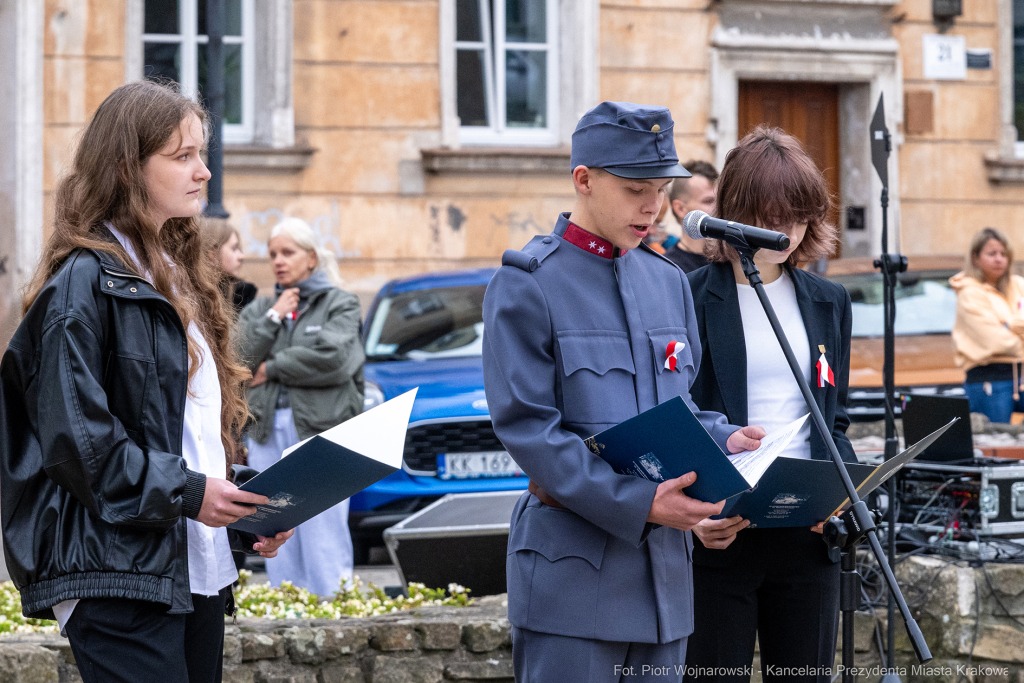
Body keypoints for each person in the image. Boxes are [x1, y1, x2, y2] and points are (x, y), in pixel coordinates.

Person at [0, 80, 293, 683]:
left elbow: (176, 439)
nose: (204, 172)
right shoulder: (81, 285)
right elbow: (81, 447)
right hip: (116, 578)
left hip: (190, 571)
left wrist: (248, 501)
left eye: (202, 154)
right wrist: (193, 494)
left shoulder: (174, 278)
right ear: (128, 168)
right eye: (182, 156)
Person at [482, 101, 766, 683]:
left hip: (664, 584)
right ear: (583, 180)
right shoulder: (527, 285)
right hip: (572, 583)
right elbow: (529, 430)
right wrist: (642, 504)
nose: (653, 206)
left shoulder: (666, 282)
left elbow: (677, 405)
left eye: (662, 188)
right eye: (636, 187)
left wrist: (723, 436)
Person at [683, 126, 855, 682]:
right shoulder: (689, 295)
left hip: (806, 538)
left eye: (795, 215)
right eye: (765, 214)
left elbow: (836, 418)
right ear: (734, 212)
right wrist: (691, 518)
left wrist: (842, 489)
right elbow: (672, 413)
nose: (780, 230)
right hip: (721, 533)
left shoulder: (828, 301)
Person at [238, 217, 365, 598]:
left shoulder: (340, 302)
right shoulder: (262, 307)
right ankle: (286, 603)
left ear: (311, 258)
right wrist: (275, 315)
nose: (278, 260)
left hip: (322, 428)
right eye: (273, 253)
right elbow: (237, 359)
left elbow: (335, 359)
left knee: (323, 522)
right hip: (264, 429)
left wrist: (272, 368)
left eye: (288, 252)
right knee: (273, 520)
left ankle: (332, 603)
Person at [950, 227, 1024, 423]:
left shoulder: (1018, 285)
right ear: (975, 258)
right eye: (992, 254)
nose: (999, 259)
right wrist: (1018, 328)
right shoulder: (969, 293)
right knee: (994, 443)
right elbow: (997, 341)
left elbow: (1006, 336)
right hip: (988, 380)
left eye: (1003, 254)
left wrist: (1009, 325)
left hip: (1021, 376)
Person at [663, 160, 718, 273]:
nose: (718, 208)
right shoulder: (669, 269)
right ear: (680, 209)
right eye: (708, 201)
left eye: (720, 201)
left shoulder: (732, 262)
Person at [205, 220, 258, 313]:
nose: (241, 256)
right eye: (234, 249)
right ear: (212, 254)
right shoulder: (193, 296)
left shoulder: (242, 293)